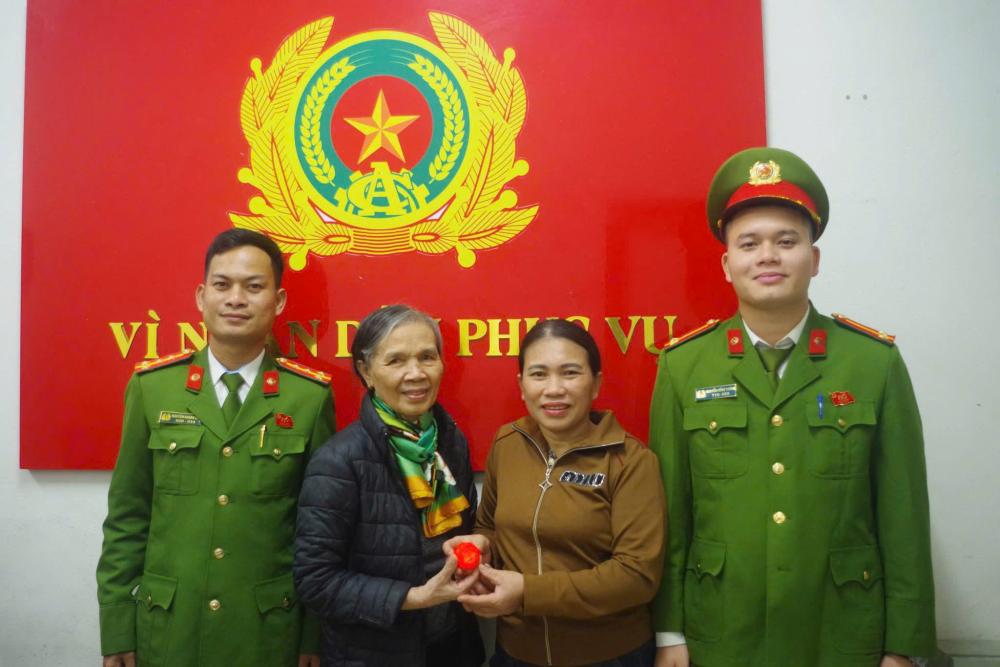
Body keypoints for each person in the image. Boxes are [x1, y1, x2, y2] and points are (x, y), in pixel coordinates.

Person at [649, 147, 937, 667]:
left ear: (815, 258)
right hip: (721, 631)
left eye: (787, 241)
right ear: (726, 264)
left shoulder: (873, 364)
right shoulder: (682, 368)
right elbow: (672, 516)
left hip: (842, 633)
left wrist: (906, 647)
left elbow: (904, 517)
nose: (768, 256)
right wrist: (670, 633)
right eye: (750, 243)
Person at [96, 229, 336, 666]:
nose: (236, 298)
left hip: (266, 632)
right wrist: (116, 627)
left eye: (254, 286)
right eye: (223, 285)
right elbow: (128, 516)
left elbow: (318, 531)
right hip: (170, 626)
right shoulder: (154, 389)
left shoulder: (309, 398)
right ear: (201, 297)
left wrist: (311, 637)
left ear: (278, 302)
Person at [452, 319, 666, 667]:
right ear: (521, 385)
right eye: (538, 375)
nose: (554, 389)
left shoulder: (630, 461)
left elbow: (636, 577)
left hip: (609, 656)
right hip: (517, 654)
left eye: (570, 373)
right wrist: (478, 547)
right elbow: (488, 525)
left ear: (595, 383)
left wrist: (526, 592)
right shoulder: (507, 443)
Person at [294, 305, 485, 667]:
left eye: (427, 357)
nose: (416, 373)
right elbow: (315, 582)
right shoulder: (339, 461)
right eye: (395, 361)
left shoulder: (450, 441)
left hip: (452, 646)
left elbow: (465, 530)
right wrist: (415, 597)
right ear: (366, 372)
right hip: (373, 654)